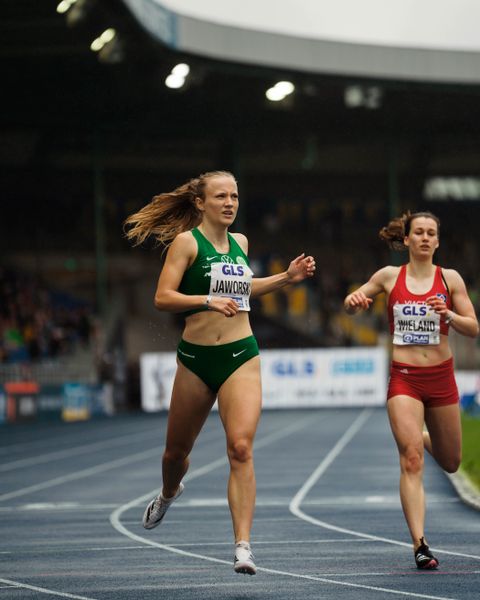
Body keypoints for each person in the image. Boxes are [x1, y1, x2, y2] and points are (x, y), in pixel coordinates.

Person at [124, 170, 315, 575]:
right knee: (175, 453)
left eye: (235, 196)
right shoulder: (185, 244)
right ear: (200, 202)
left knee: (241, 448)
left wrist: (286, 278)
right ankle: (169, 492)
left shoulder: (240, 243)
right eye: (221, 197)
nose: (230, 203)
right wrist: (208, 300)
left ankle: (243, 546)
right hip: (196, 360)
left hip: (240, 356)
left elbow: (245, 288)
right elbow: (162, 297)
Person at [344, 211, 478, 570]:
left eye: (430, 233)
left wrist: (448, 314)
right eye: (417, 232)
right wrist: (354, 303)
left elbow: (473, 327)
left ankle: (419, 434)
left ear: (437, 241)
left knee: (450, 461)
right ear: (406, 240)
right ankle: (420, 544)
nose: (423, 237)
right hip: (404, 378)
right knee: (412, 459)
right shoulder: (389, 277)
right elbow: (352, 301)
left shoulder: (449, 280)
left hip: (441, 378)